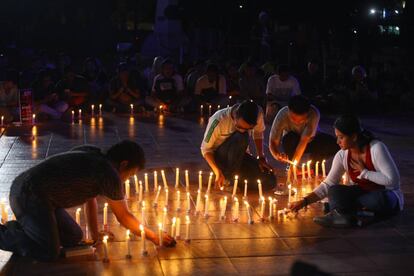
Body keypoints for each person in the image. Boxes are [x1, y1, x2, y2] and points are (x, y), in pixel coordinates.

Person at [0, 140, 175, 261]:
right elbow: (123, 216)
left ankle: (30, 226)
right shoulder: (109, 174)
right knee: (49, 252)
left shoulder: (92, 153)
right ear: (123, 164)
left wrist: (95, 236)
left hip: (41, 198)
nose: (126, 180)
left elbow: (90, 200)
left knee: (74, 236)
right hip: (28, 196)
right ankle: (8, 233)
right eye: (130, 175)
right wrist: (154, 236)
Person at [290, 115, 403, 227]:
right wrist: (304, 202)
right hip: (361, 193)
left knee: (380, 200)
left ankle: (344, 213)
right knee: (334, 191)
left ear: (354, 137)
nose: (337, 142)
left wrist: (365, 173)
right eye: (337, 137)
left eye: (341, 137)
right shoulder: (342, 155)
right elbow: (328, 184)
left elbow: (393, 180)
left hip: (384, 194)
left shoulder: (376, 148)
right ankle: (354, 215)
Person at [201, 100, 275, 190]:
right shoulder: (218, 120)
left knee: (270, 180)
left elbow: (258, 133)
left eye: (248, 129)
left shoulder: (257, 114)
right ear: (235, 115)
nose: (243, 130)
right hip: (220, 159)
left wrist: (261, 157)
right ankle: (227, 178)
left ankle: (235, 182)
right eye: (239, 127)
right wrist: (217, 171)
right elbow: (205, 149)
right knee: (241, 137)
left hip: (240, 157)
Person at [269, 95, 338, 166]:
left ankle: (315, 167)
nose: (297, 122)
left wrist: (294, 164)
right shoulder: (282, 115)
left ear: (307, 113)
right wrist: (276, 154)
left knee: (334, 144)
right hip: (292, 142)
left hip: (311, 141)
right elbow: (273, 141)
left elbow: (304, 140)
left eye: (301, 120)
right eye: (293, 118)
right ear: (288, 110)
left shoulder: (314, 113)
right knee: (289, 138)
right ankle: (290, 167)